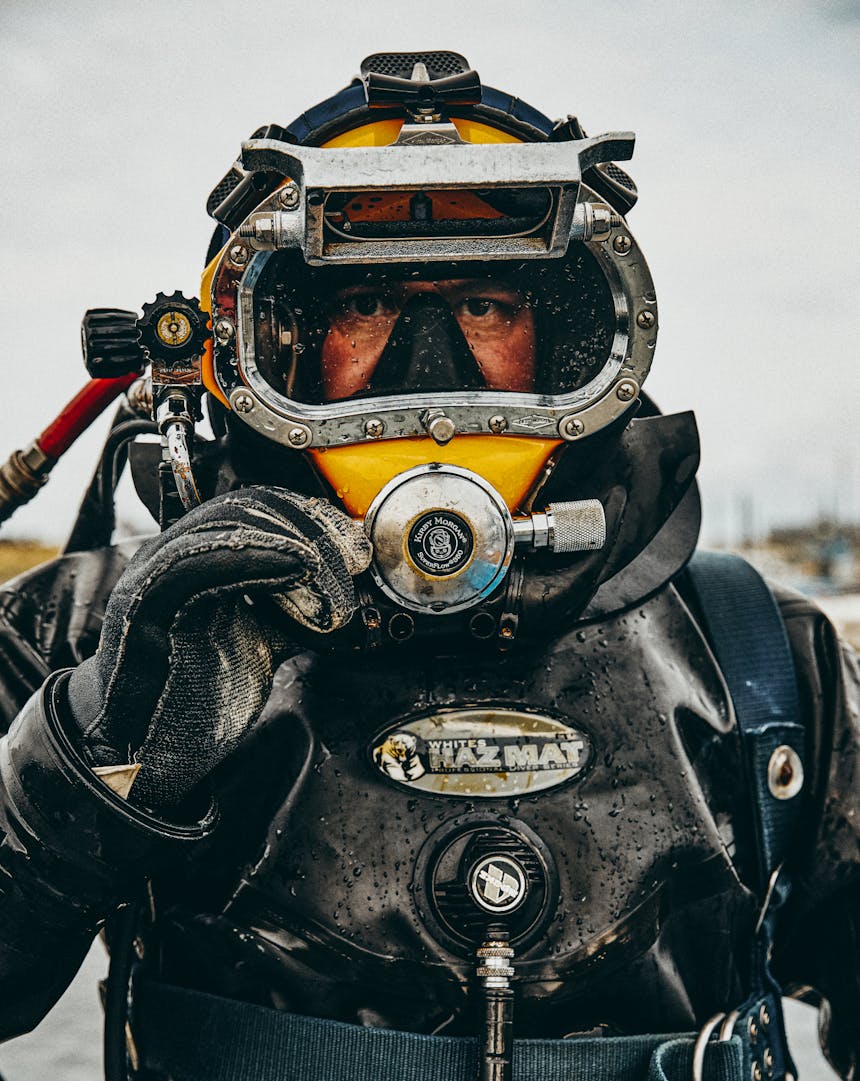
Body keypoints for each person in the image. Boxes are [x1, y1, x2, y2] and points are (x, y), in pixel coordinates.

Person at [0, 50, 857, 1081]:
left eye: (489, 305)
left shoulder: (764, 662)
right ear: (273, 339)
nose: (428, 366)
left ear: (575, 331)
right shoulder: (87, 639)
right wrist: (88, 767)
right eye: (363, 307)